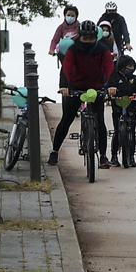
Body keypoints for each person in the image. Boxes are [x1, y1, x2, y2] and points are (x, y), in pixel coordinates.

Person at [48, 21, 116, 167]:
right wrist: (64, 86)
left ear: (95, 38)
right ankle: (54, 151)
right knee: (66, 119)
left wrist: (111, 85)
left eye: (91, 39)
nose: (88, 42)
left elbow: (109, 67)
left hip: (96, 87)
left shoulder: (102, 50)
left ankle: (103, 156)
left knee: (100, 121)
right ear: (80, 37)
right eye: (85, 39)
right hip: (75, 87)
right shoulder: (73, 49)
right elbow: (66, 67)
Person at [104, 55, 136, 168]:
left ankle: (131, 157)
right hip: (117, 106)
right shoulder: (114, 77)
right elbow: (106, 87)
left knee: (132, 131)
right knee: (117, 130)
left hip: (131, 107)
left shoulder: (134, 79)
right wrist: (108, 93)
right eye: (129, 66)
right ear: (122, 67)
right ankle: (114, 156)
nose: (131, 68)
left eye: (133, 66)